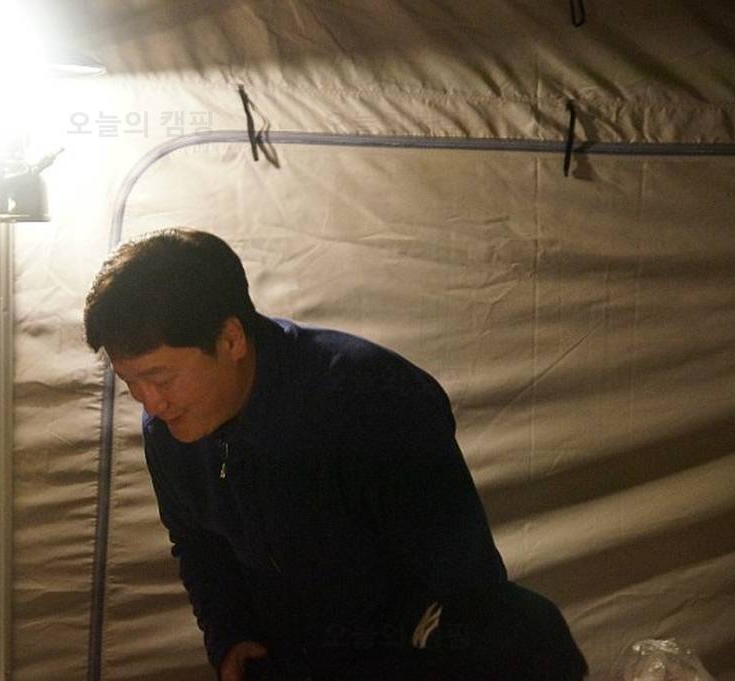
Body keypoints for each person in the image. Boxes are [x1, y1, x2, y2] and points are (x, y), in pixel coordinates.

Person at [83, 228, 587, 681]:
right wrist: (229, 635)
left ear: (231, 339)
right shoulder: (168, 431)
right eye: (131, 382)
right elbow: (197, 543)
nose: (150, 403)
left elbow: (460, 589)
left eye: (161, 378)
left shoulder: (372, 400)